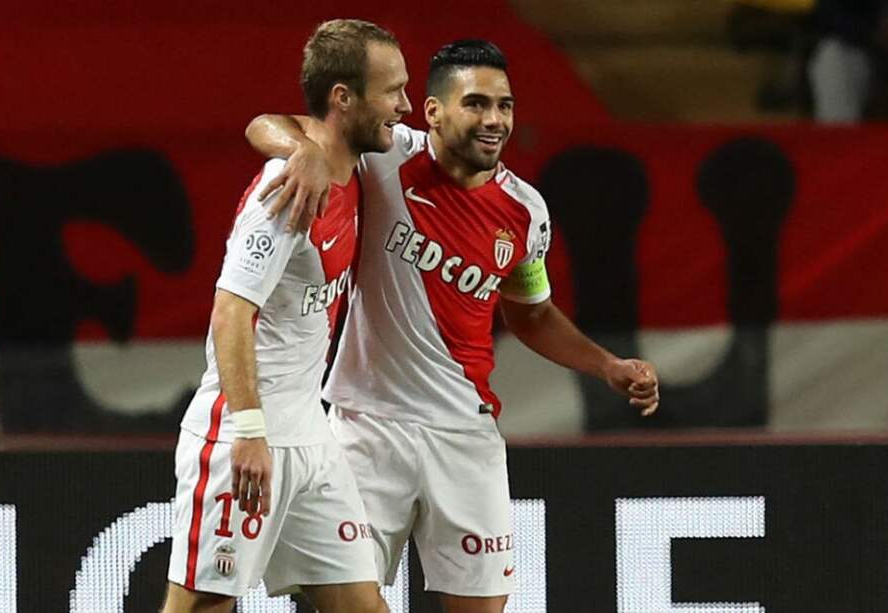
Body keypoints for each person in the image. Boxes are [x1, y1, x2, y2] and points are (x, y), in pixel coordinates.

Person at [245, 40, 660, 613]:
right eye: (477, 104)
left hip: (465, 439)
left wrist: (606, 365)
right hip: (368, 429)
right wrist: (303, 152)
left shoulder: (525, 213)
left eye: (505, 106)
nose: (495, 120)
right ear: (433, 111)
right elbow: (263, 125)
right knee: (343, 605)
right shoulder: (383, 156)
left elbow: (531, 312)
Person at [162, 19, 410, 613]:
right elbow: (230, 310)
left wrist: (296, 144)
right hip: (244, 437)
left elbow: (266, 122)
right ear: (343, 99)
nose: (404, 105)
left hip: (311, 438)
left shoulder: (351, 163)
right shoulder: (288, 191)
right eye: (392, 91)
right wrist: (248, 431)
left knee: (364, 605)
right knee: (201, 607)